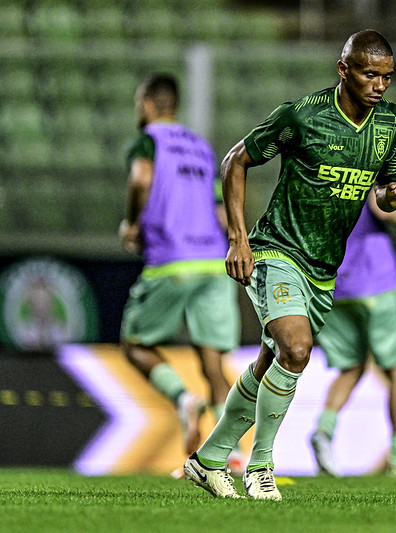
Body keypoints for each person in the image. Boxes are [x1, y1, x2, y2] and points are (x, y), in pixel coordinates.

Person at [182, 30, 396, 500]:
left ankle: (207, 461)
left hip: (324, 268)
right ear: (343, 69)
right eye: (370, 74)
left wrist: (392, 197)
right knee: (297, 347)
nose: (380, 85)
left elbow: (380, 192)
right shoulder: (302, 116)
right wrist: (238, 238)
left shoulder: (390, 123)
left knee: (274, 361)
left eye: (387, 77)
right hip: (276, 251)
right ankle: (260, 466)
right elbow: (235, 161)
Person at [118, 73, 241, 460]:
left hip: (172, 259)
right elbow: (222, 211)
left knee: (135, 344)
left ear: (148, 104)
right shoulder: (202, 147)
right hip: (213, 260)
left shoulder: (148, 140)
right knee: (213, 362)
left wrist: (132, 223)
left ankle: (183, 399)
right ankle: (232, 453)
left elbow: (140, 179)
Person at [310, 192, 396, 479]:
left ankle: (323, 431)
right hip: (377, 281)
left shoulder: (323, 167)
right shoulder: (369, 155)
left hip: (335, 284)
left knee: (351, 367)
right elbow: (381, 205)